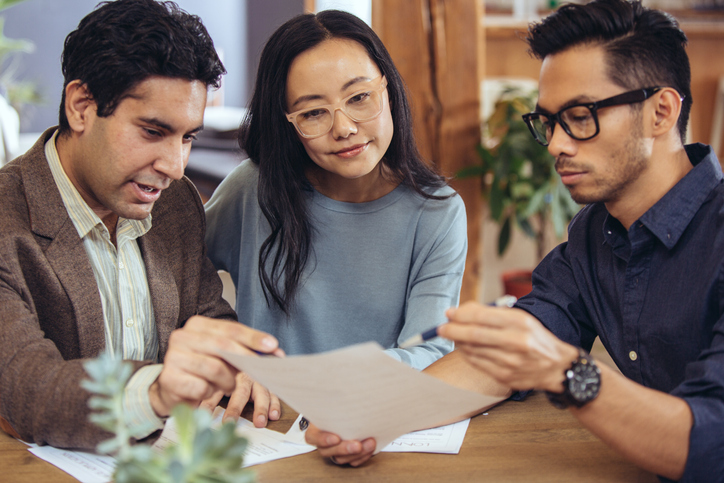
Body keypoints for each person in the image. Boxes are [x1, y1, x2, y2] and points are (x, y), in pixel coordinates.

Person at [308, 0, 724, 478]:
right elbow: (502, 361)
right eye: (548, 121)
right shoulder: (595, 234)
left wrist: (566, 372)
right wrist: (377, 417)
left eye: (581, 116)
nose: (556, 145)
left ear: (661, 111)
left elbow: (711, 443)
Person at [0, 0, 283, 451]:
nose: (174, 166)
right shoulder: (6, 221)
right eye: (153, 131)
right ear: (81, 106)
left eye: (187, 136)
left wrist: (235, 363)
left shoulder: (175, 205)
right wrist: (155, 391)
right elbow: (28, 386)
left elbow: (204, 314)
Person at [204, 11, 467, 371]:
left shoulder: (437, 211)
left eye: (359, 97)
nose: (343, 128)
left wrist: (331, 386)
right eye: (313, 113)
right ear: (288, 123)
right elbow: (174, 272)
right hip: (265, 418)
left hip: (374, 412)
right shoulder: (253, 189)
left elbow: (430, 349)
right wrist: (223, 338)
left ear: (388, 88)